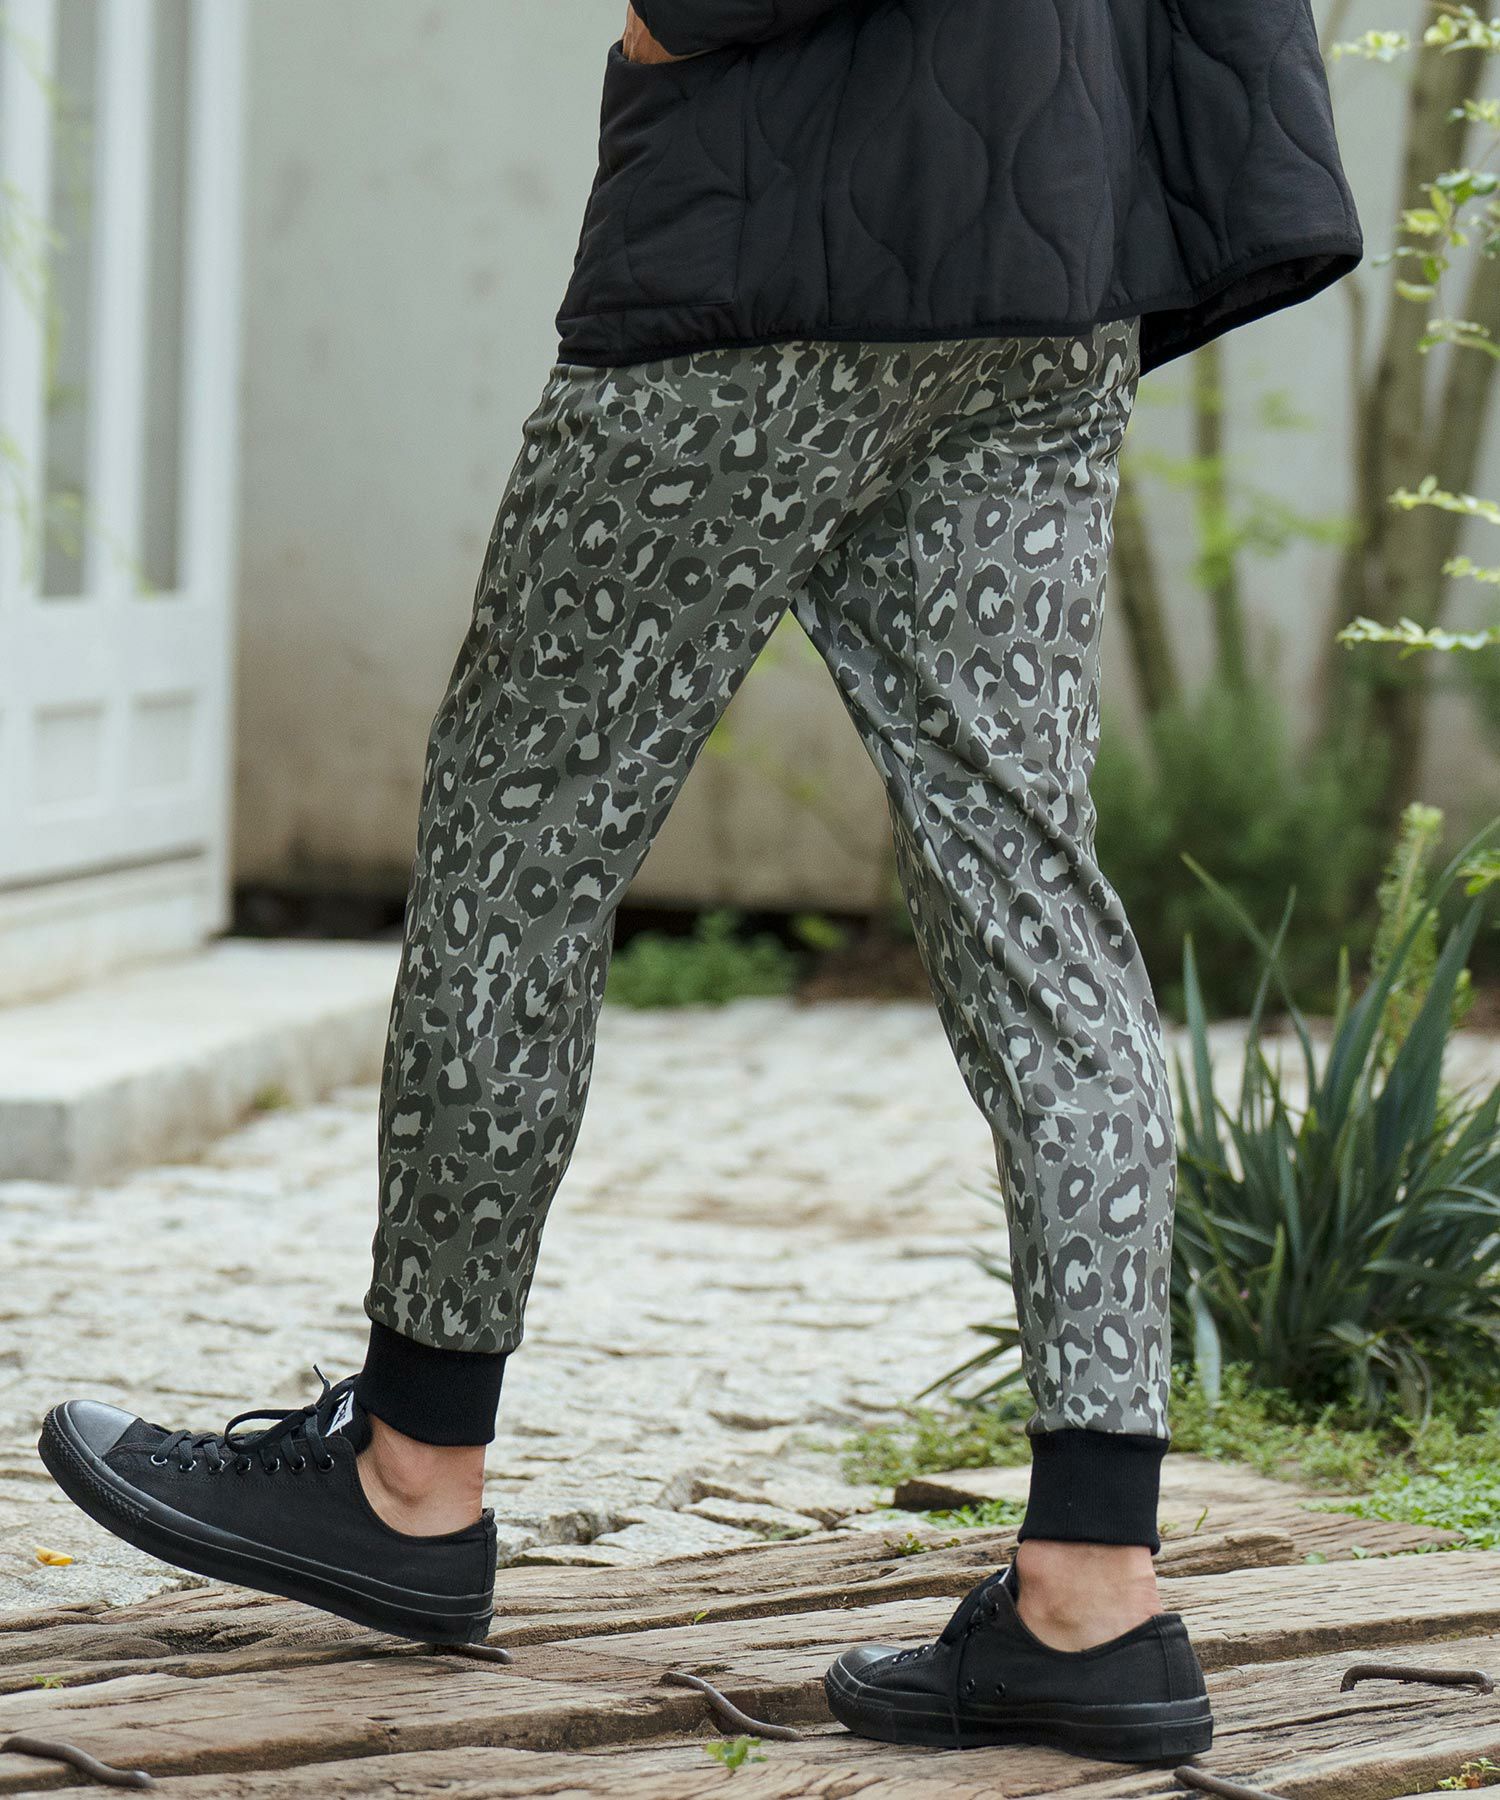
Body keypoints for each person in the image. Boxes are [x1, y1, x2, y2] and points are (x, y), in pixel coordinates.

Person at [38, 0, 1360, 1763]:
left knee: (525, 827)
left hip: (772, 234)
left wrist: (676, 26)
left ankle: (411, 1473)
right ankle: (1094, 1583)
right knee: (1031, 893)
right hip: (1052, 257)